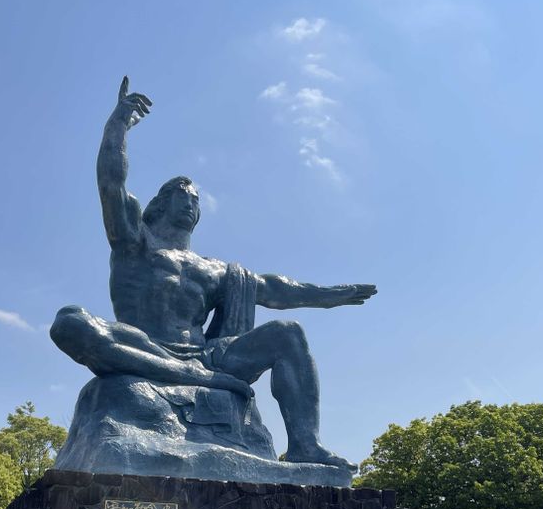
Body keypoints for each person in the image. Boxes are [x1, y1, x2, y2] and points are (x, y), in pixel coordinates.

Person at [51, 78, 376, 470]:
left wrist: (329, 296)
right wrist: (118, 125)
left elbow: (274, 289)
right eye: (183, 196)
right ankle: (184, 374)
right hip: (145, 344)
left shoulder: (214, 270)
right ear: (160, 203)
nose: (192, 203)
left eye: (196, 200)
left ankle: (306, 445)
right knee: (70, 322)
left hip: (208, 357)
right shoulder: (135, 242)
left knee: (287, 334)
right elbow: (111, 183)